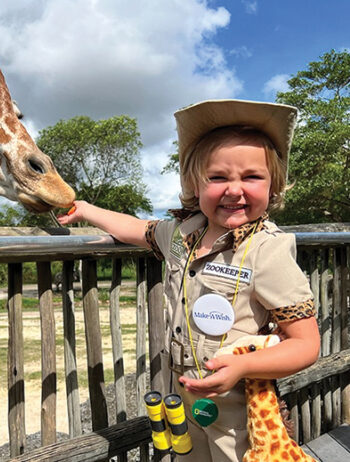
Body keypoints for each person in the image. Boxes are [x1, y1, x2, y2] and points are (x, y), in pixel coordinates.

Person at [57, 99, 320, 461]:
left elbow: (306, 344)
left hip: (238, 406)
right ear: (195, 185)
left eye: (252, 177)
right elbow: (138, 228)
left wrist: (242, 367)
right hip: (180, 394)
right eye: (217, 177)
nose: (234, 189)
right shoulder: (183, 236)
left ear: (273, 185)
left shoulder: (267, 251)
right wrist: (86, 210)